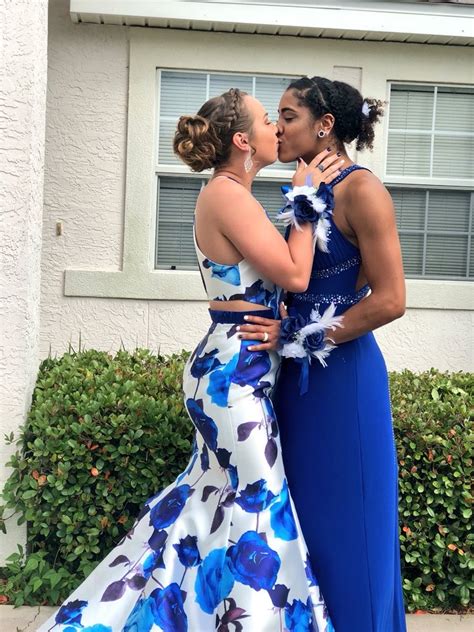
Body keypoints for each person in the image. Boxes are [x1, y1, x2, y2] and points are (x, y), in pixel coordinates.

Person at [37, 88, 343, 632]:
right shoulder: (227, 196)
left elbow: (273, 288)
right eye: (268, 120)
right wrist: (305, 197)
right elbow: (294, 274)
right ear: (244, 140)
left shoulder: (233, 195)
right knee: (260, 506)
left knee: (201, 506)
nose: (278, 127)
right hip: (231, 380)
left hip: (238, 369)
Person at [238, 76, 407, 632]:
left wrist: (310, 338)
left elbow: (390, 298)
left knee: (353, 531)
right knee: (305, 530)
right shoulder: (302, 187)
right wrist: (278, 327)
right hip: (294, 387)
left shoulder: (363, 191)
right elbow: (297, 281)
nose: (277, 127)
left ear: (324, 125)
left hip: (344, 386)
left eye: (287, 116)